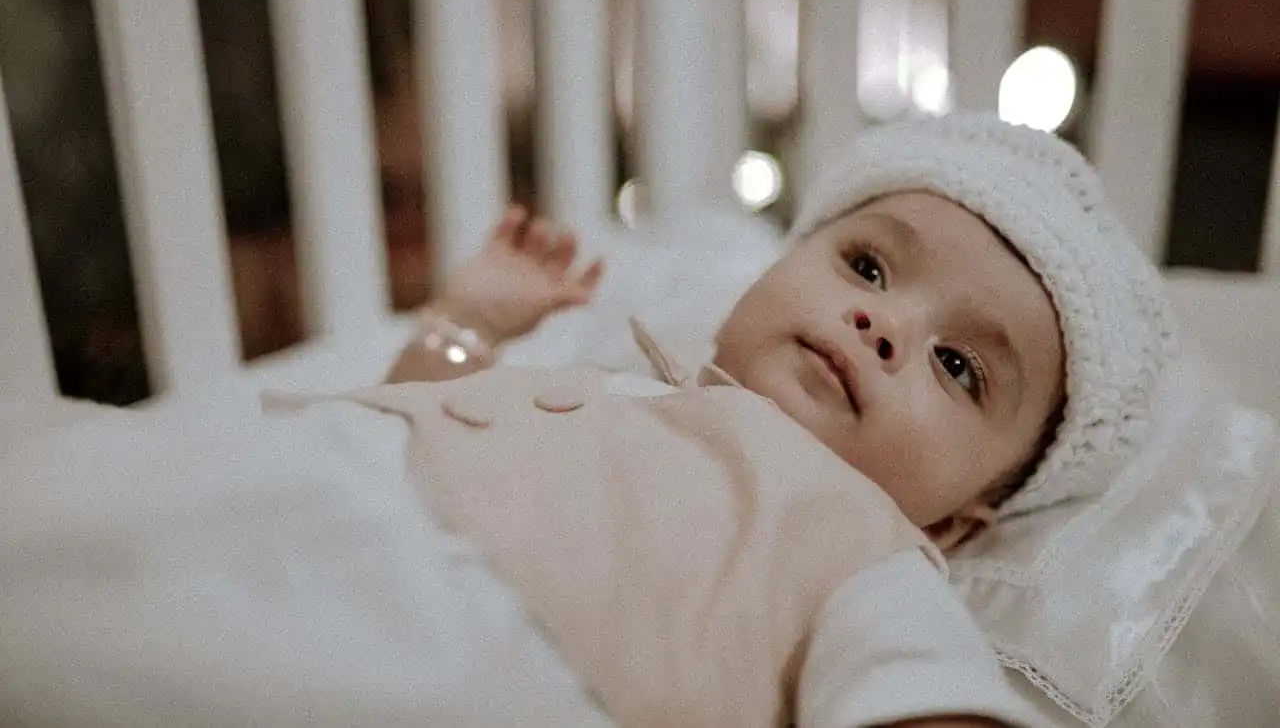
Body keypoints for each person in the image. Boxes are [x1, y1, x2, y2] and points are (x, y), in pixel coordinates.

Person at [348, 112, 1171, 727]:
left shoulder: (860, 550)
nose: (881, 325)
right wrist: (462, 329)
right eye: (868, 266)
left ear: (954, 525)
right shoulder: (618, 377)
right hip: (335, 529)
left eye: (958, 367)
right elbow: (404, 425)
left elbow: (919, 679)